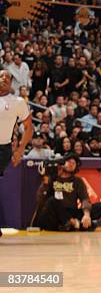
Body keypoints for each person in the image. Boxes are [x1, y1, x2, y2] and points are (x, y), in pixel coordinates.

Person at [0, 69, 33, 237]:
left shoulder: (17, 102)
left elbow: (29, 127)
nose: (4, 78)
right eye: (1, 75)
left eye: (8, 77)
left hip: (3, 148)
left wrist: (20, 150)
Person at [34, 153, 101, 231]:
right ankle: (75, 224)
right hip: (56, 213)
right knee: (52, 201)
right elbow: (41, 198)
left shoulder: (77, 181)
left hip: (71, 211)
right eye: (69, 162)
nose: (71, 164)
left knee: (99, 207)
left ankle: (71, 225)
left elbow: (85, 199)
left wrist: (86, 215)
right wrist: (45, 182)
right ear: (63, 163)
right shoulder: (53, 178)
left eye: (74, 163)